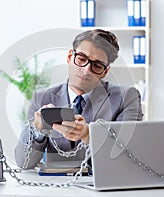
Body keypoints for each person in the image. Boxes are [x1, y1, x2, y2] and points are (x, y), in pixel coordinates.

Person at [15, 29, 143, 169]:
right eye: (82, 59)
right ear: (70, 57)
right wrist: (37, 130)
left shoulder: (127, 97)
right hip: (55, 186)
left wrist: (88, 135)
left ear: (105, 72)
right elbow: (23, 163)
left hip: (104, 184)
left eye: (97, 66)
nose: (87, 70)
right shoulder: (42, 98)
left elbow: (129, 158)